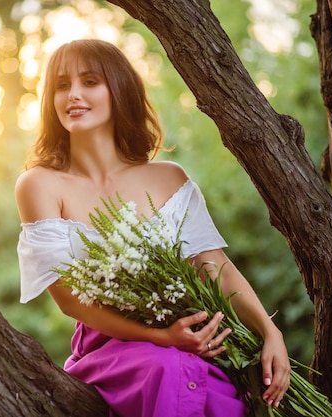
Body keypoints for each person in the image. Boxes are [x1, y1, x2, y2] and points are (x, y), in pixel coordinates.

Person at [15, 39, 290, 417]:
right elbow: (68, 300)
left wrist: (269, 334)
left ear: (119, 89)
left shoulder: (169, 178)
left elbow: (212, 266)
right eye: (62, 85)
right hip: (109, 350)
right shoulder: (39, 184)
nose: (73, 95)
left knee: (205, 385)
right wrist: (158, 336)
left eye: (90, 81)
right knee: (167, 368)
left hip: (186, 340)